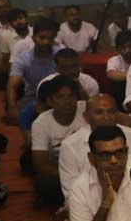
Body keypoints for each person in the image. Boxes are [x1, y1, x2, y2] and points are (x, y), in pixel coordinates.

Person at [59, 94, 131, 191]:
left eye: (111, 112)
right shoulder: (70, 146)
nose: (106, 117)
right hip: (90, 199)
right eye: (99, 112)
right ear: (86, 117)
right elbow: (71, 191)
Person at [29, 76, 89, 207]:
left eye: (71, 96)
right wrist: (74, 175)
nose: (67, 101)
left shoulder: (87, 109)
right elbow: (41, 165)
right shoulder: (41, 123)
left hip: (91, 165)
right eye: (60, 97)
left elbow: (123, 119)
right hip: (60, 170)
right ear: (50, 101)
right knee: (43, 183)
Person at [7, 21, 62, 120]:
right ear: (33, 38)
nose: (46, 42)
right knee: (14, 115)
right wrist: (12, 107)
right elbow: (12, 85)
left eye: (50, 38)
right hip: (33, 97)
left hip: (59, 96)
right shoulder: (23, 58)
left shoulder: (61, 54)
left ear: (54, 40)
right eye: (42, 37)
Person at [36, 48, 101, 100]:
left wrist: (80, 88)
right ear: (57, 69)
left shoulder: (90, 83)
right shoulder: (46, 84)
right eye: (65, 67)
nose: (70, 71)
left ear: (80, 65)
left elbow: (93, 108)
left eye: (74, 66)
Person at [105, 29, 131, 105]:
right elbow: (111, 74)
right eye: (123, 47)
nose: (127, 50)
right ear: (118, 49)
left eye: (130, 46)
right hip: (122, 94)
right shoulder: (114, 60)